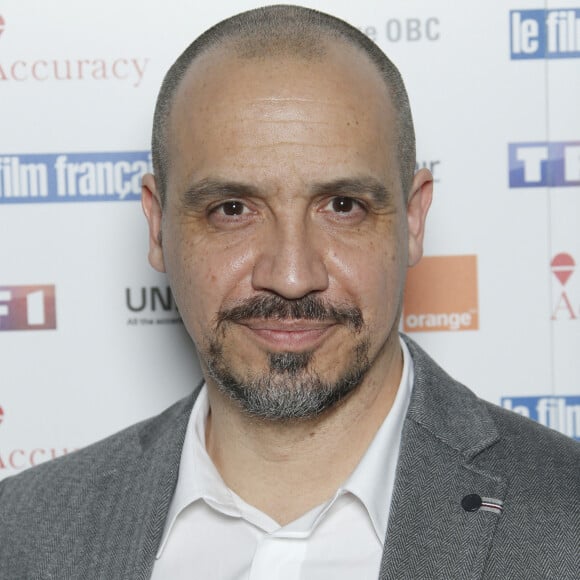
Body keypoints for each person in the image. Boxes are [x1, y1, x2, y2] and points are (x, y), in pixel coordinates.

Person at [0, 5, 578, 579]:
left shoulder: (565, 521)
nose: (293, 275)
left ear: (413, 219)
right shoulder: (22, 533)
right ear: (157, 226)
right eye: (232, 210)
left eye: (342, 206)